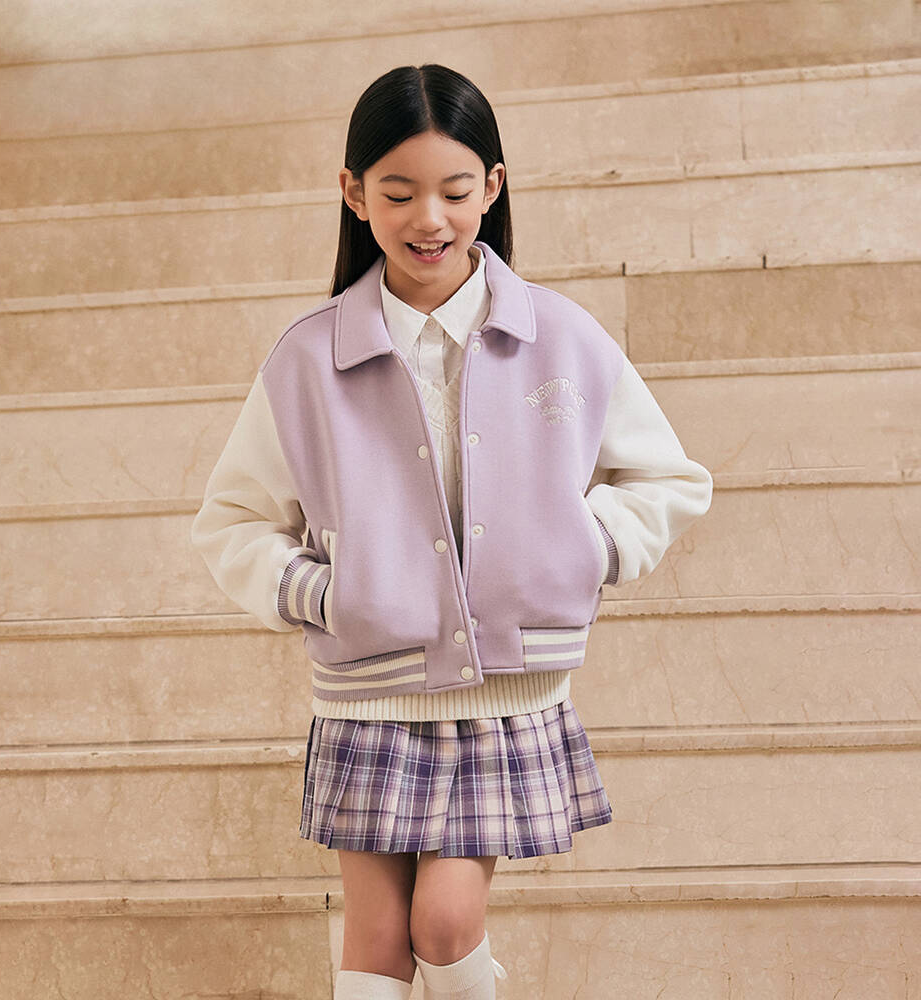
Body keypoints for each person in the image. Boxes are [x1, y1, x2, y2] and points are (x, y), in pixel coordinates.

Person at [191, 63, 714, 1000]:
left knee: (444, 921)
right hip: (369, 697)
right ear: (354, 194)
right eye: (398, 194)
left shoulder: (560, 336)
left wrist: (582, 548)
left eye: (455, 191)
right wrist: (328, 592)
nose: (428, 218)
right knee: (375, 939)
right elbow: (234, 521)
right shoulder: (309, 358)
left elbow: (669, 479)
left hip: (508, 693)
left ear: (493, 188)